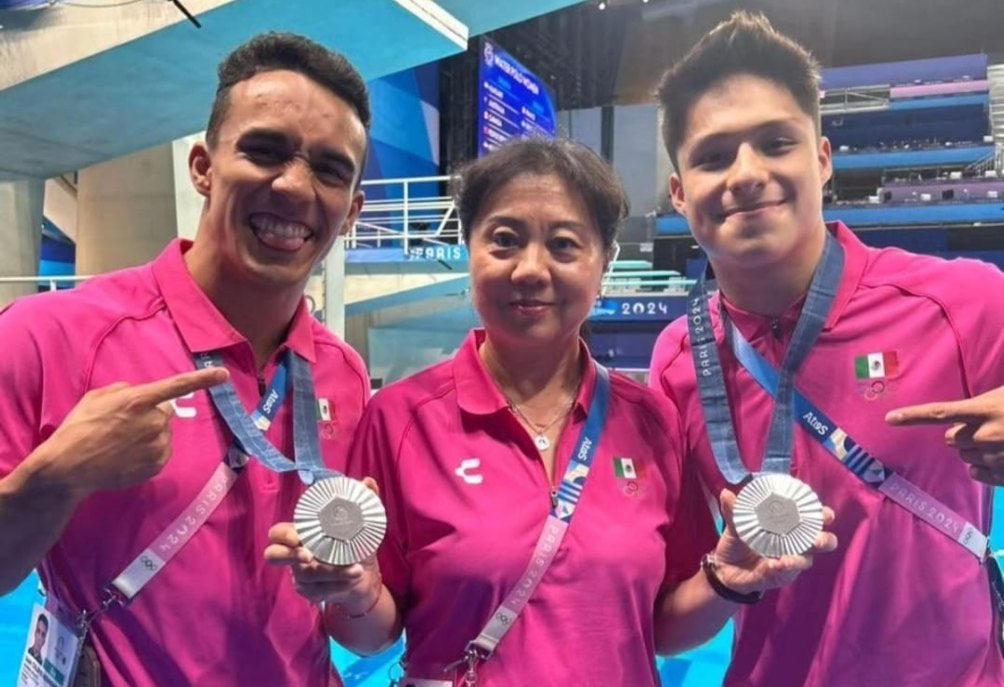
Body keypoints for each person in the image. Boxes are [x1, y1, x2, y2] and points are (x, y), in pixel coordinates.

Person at [266, 137, 836, 686]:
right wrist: (357, 592)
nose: (531, 270)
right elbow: (372, 636)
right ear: (469, 251)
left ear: (604, 262)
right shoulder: (399, 419)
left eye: (564, 244)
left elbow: (663, 627)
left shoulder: (653, 422)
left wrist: (725, 582)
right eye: (505, 240)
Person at [0, 32, 371, 686]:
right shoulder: (49, 334)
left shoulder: (343, 372)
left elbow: (356, 624)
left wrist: (349, 578)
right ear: (202, 166)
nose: (293, 185)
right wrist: (56, 477)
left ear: (351, 213)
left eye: (329, 169)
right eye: (264, 150)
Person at [649, 11, 1004, 686]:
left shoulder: (962, 303)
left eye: (775, 142)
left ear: (821, 157)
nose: (746, 174)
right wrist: (726, 581)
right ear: (678, 191)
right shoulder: (675, 364)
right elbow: (671, 624)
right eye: (714, 156)